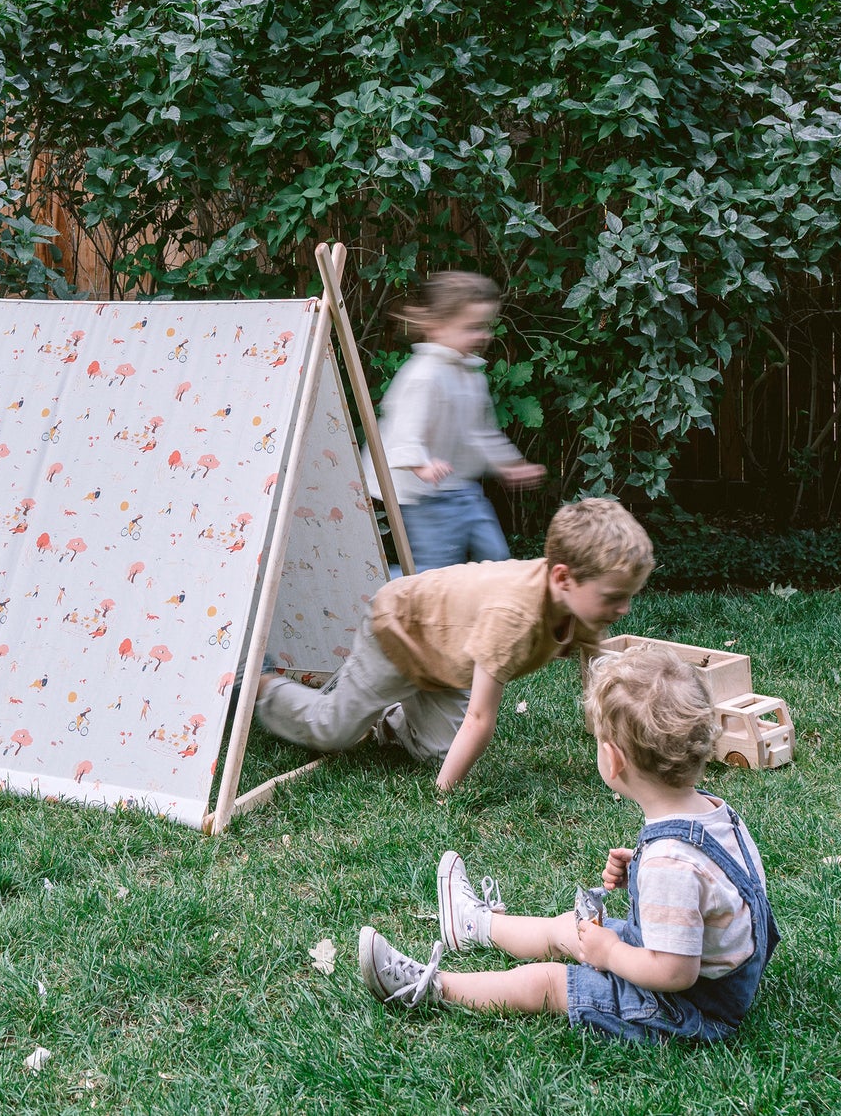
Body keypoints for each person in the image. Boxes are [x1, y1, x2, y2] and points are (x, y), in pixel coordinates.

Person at [357, 643, 780, 1043]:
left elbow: (675, 972)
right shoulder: (714, 814)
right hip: (702, 972)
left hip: (690, 1005)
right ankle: (474, 926)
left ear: (613, 760)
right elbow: (711, 890)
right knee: (570, 928)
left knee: (550, 982)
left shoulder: (671, 864)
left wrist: (610, 953)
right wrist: (641, 868)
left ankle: (430, 987)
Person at [255, 498, 652, 790]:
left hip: (446, 661)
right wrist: (444, 796)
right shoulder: (514, 617)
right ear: (564, 578)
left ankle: (387, 717)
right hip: (399, 634)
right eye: (614, 597)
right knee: (332, 731)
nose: (624, 609)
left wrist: (617, 743)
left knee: (441, 753)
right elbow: (479, 719)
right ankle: (260, 683)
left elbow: (601, 676)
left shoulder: (582, 608)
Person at [361, 272, 543, 574]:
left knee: (496, 555)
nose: (482, 336)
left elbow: (482, 432)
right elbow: (405, 429)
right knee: (434, 570)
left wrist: (509, 464)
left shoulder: (470, 374)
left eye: (484, 326)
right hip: (424, 495)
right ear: (437, 326)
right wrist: (421, 464)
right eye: (471, 328)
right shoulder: (424, 375)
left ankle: (493, 595)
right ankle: (378, 589)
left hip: (462, 487)